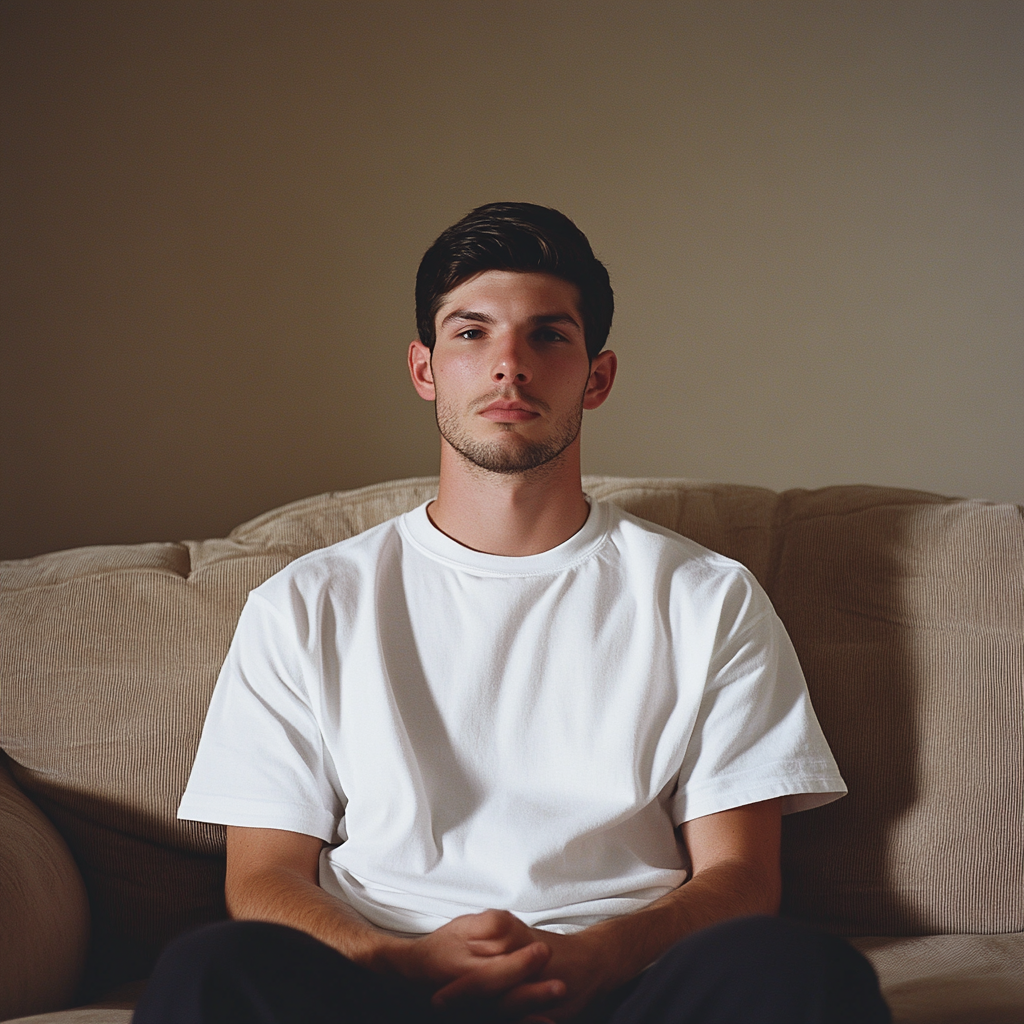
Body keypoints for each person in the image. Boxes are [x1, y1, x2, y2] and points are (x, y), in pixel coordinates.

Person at [135, 203, 890, 1023]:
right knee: (211, 969)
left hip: (622, 982)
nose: (509, 366)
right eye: (471, 333)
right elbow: (262, 876)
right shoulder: (306, 602)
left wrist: (596, 957)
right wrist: (399, 962)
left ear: (595, 376)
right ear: (425, 370)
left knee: (799, 971)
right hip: (382, 982)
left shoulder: (706, 596)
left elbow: (741, 877)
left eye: (547, 335)